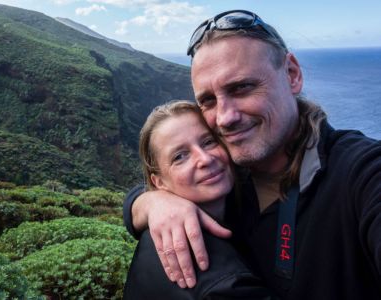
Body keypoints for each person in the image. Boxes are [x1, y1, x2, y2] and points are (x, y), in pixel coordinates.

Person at [123, 10, 381, 300]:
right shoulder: (225, 177)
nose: (225, 118)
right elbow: (137, 196)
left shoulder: (361, 174)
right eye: (208, 100)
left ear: (292, 74)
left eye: (242, 87)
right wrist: (150, 203)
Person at [123, 100, 274, 299]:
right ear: (159, 182)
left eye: (208, 142)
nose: (205, 159)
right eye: (179, 157)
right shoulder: (218, 281)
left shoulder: (243, 198)